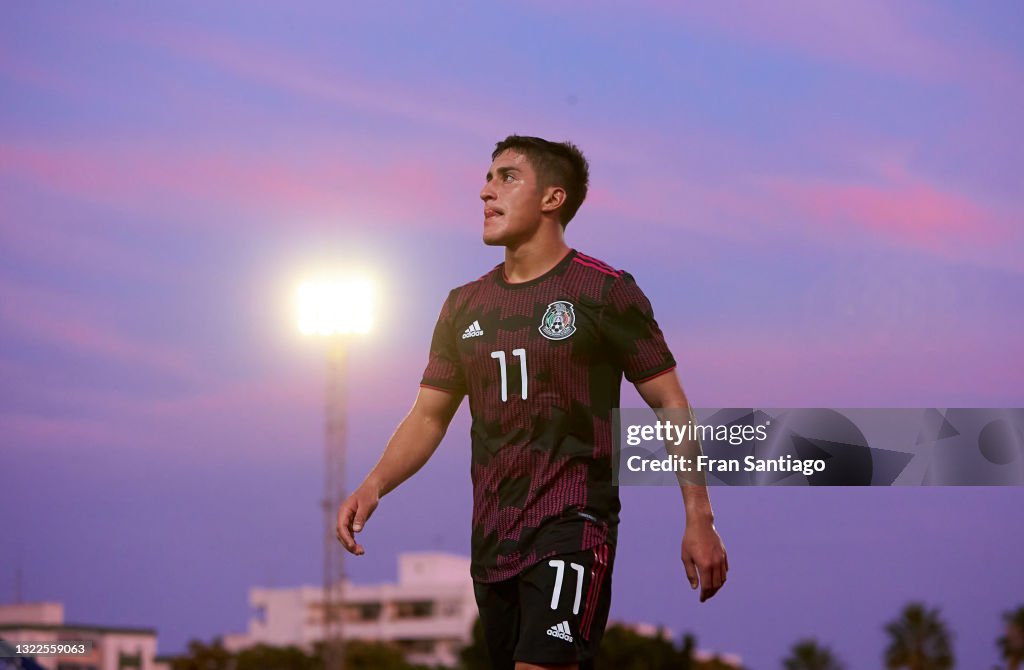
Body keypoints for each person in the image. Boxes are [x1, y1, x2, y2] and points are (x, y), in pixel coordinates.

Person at [336, 135, 728, 670]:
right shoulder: (463, 306)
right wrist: (374, 483)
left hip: (575, 523)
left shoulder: (604, 292)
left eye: (506, 177)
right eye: (488, 177)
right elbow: (429, 415)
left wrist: (698, 517)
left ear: (553, 199)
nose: (485, 191)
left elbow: (670, 403)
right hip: (493, 541)